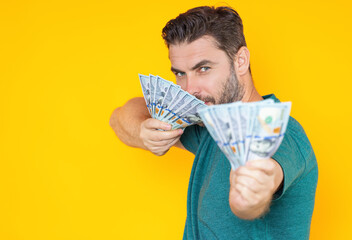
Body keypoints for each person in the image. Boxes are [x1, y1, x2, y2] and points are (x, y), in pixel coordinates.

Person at [110, 6, 318, 239]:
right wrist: (142, 132)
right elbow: (119, 117)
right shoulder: (210, 125)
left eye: (203, 69)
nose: (189, 90)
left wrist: (248, 197)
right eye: (180, 73)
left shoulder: (282, 134)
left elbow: (264, 183)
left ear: (240, 61)